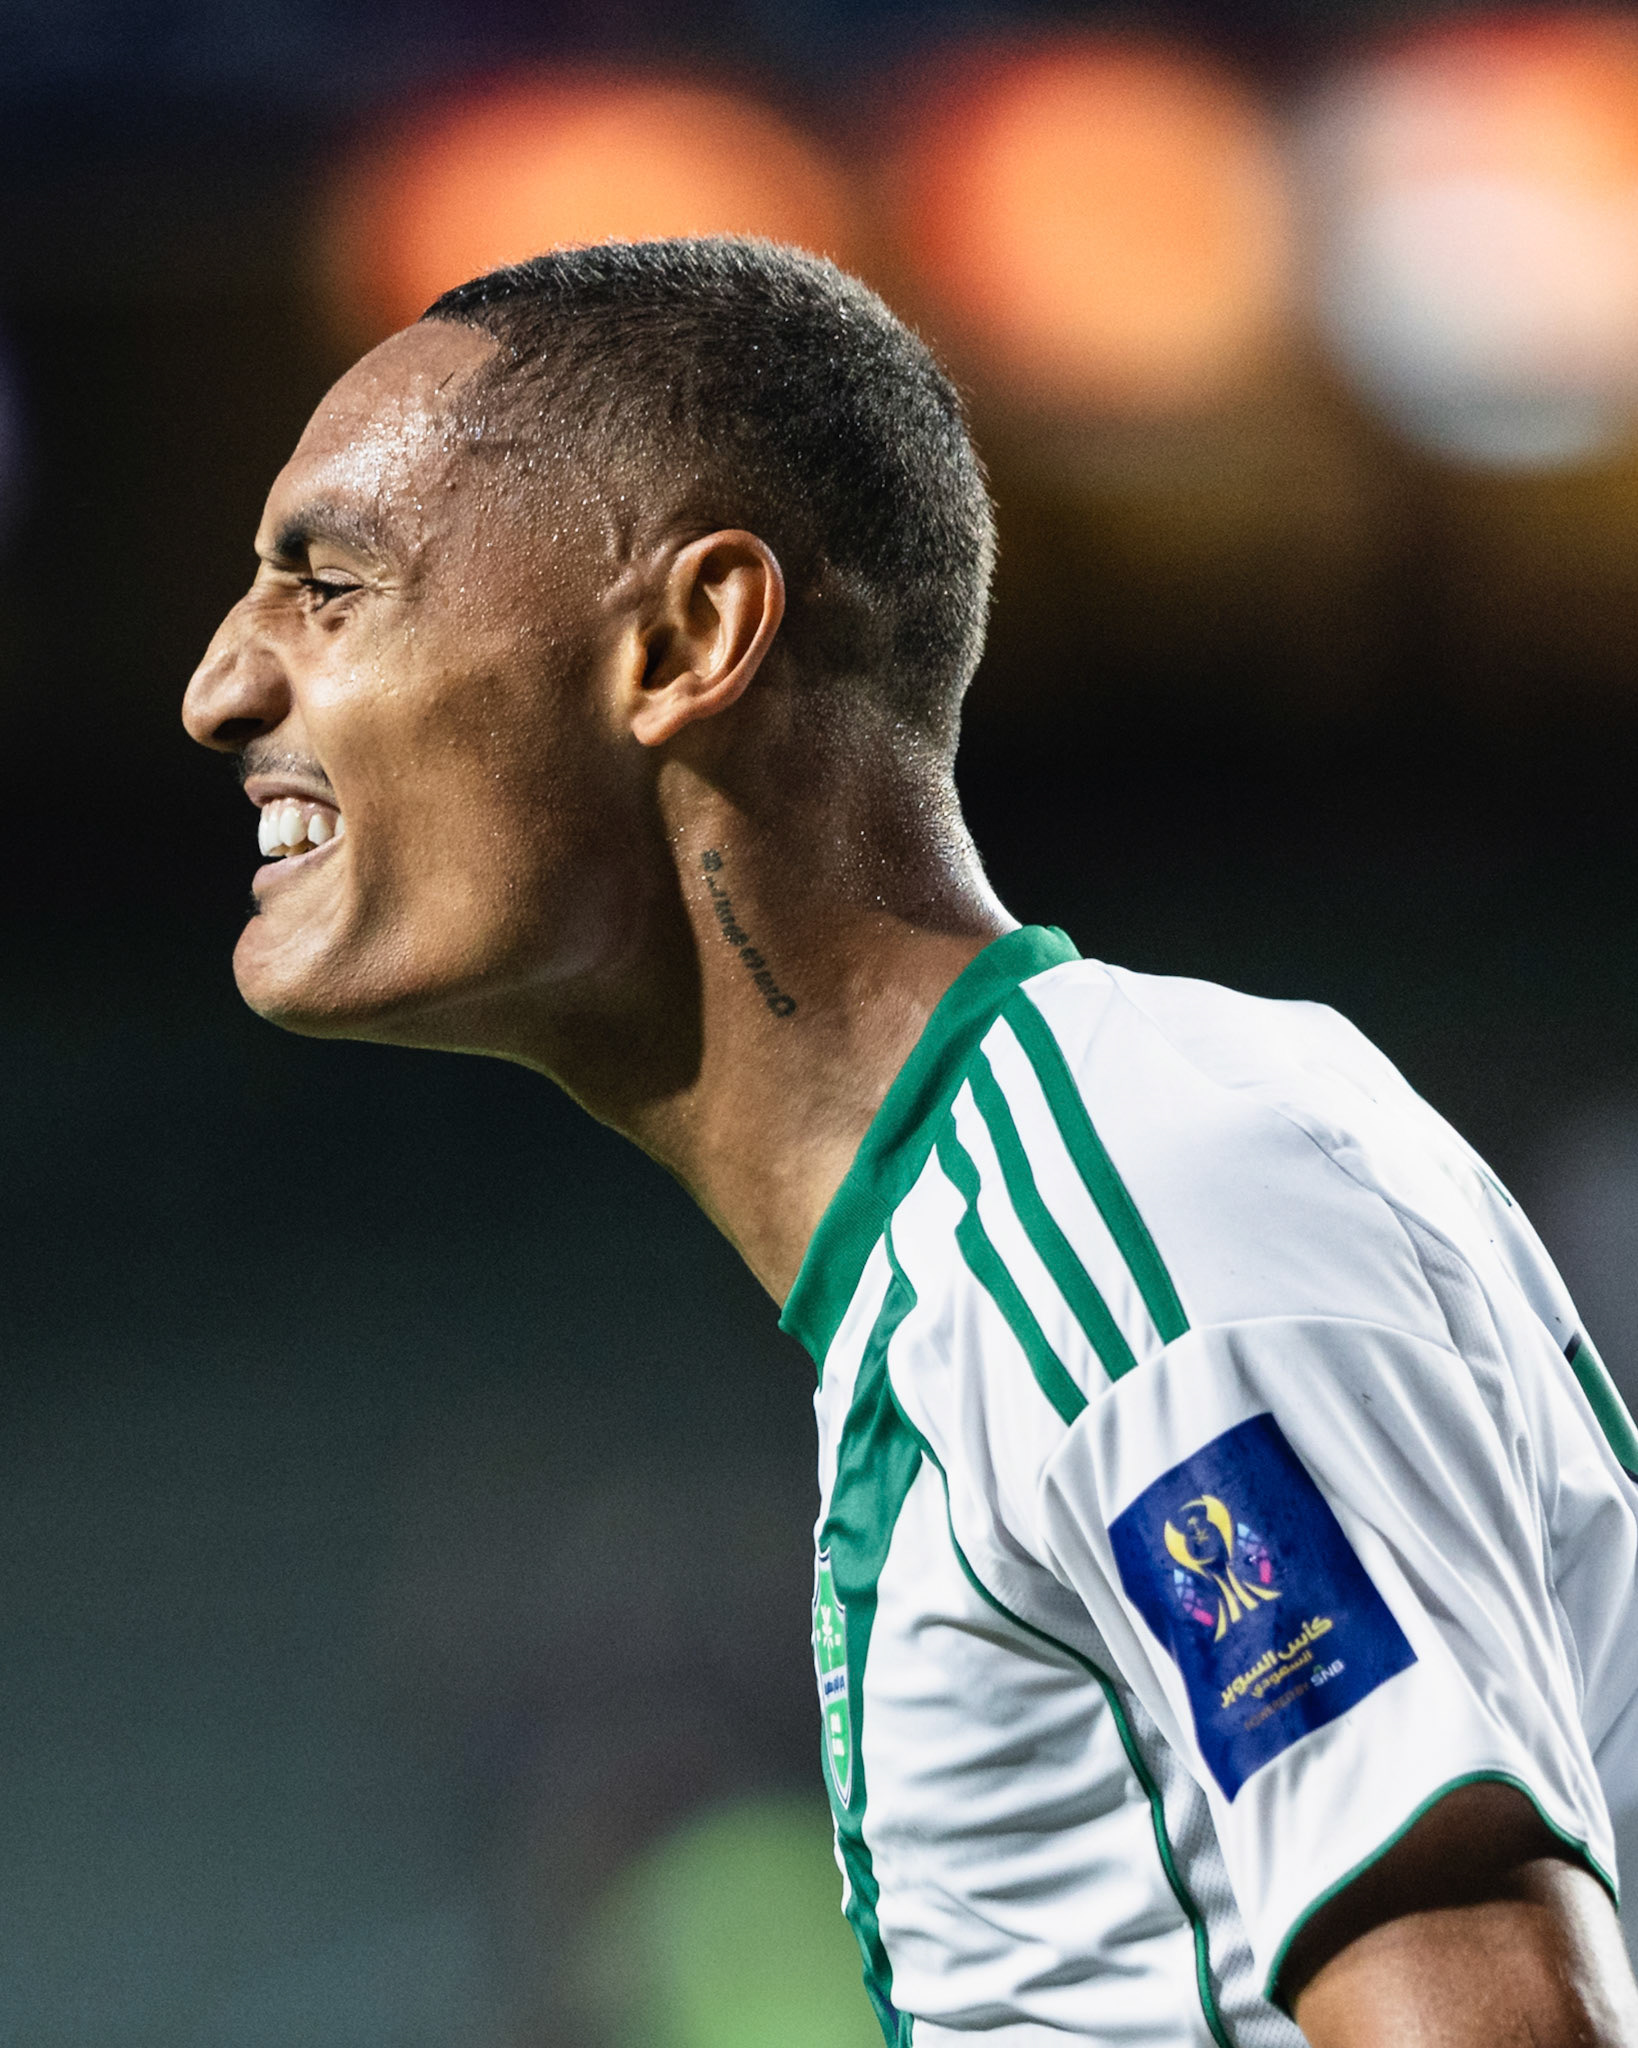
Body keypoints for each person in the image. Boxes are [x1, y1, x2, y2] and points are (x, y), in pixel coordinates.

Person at [182, 237, 1638, 2048]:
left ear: (690, 636)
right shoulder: (1013, 1230)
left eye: (329, 582)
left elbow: (1488, 2017)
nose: (222, 686)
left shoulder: (1130, 1209)